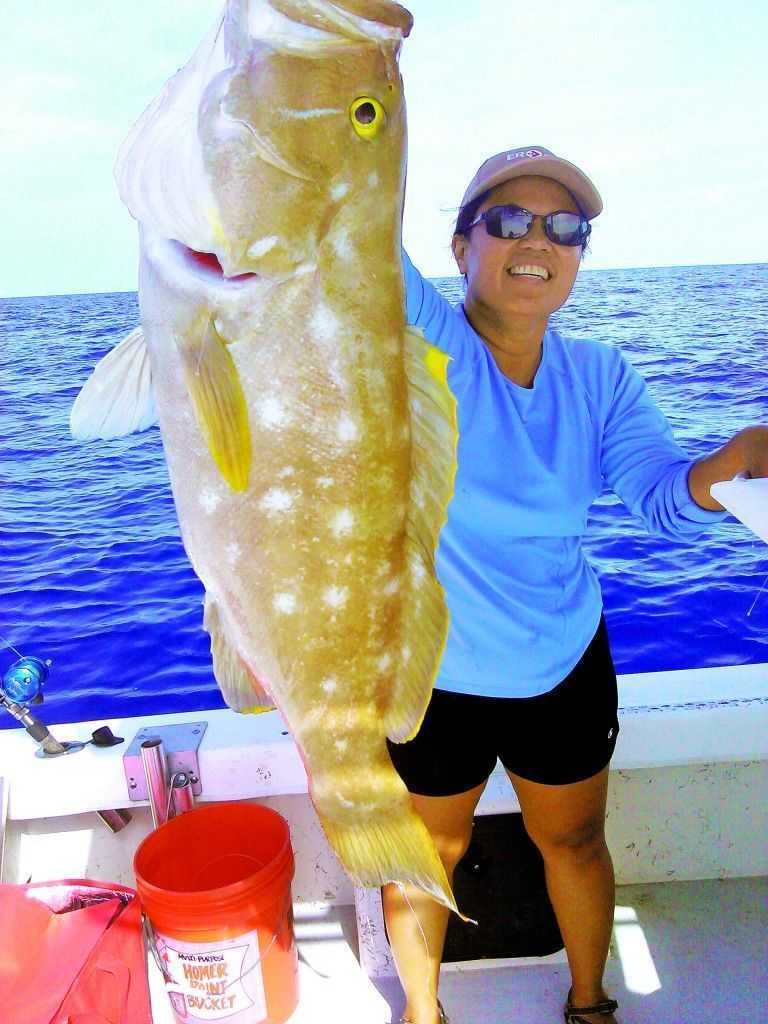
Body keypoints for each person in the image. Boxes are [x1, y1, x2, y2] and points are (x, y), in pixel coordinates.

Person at [382, 145, 768, 1024]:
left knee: (576, 840)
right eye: (508, 220)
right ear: (459, 247)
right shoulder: (419, 338)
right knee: (428, 854)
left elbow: (661, 498)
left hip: (561, 657)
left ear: (580, 255)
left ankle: (591, 1002)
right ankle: (422, 1012)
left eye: (565, 228)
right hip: (434, 667)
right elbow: (351, 227)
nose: (537, 240)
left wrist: (722, 469)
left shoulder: (600, 376)